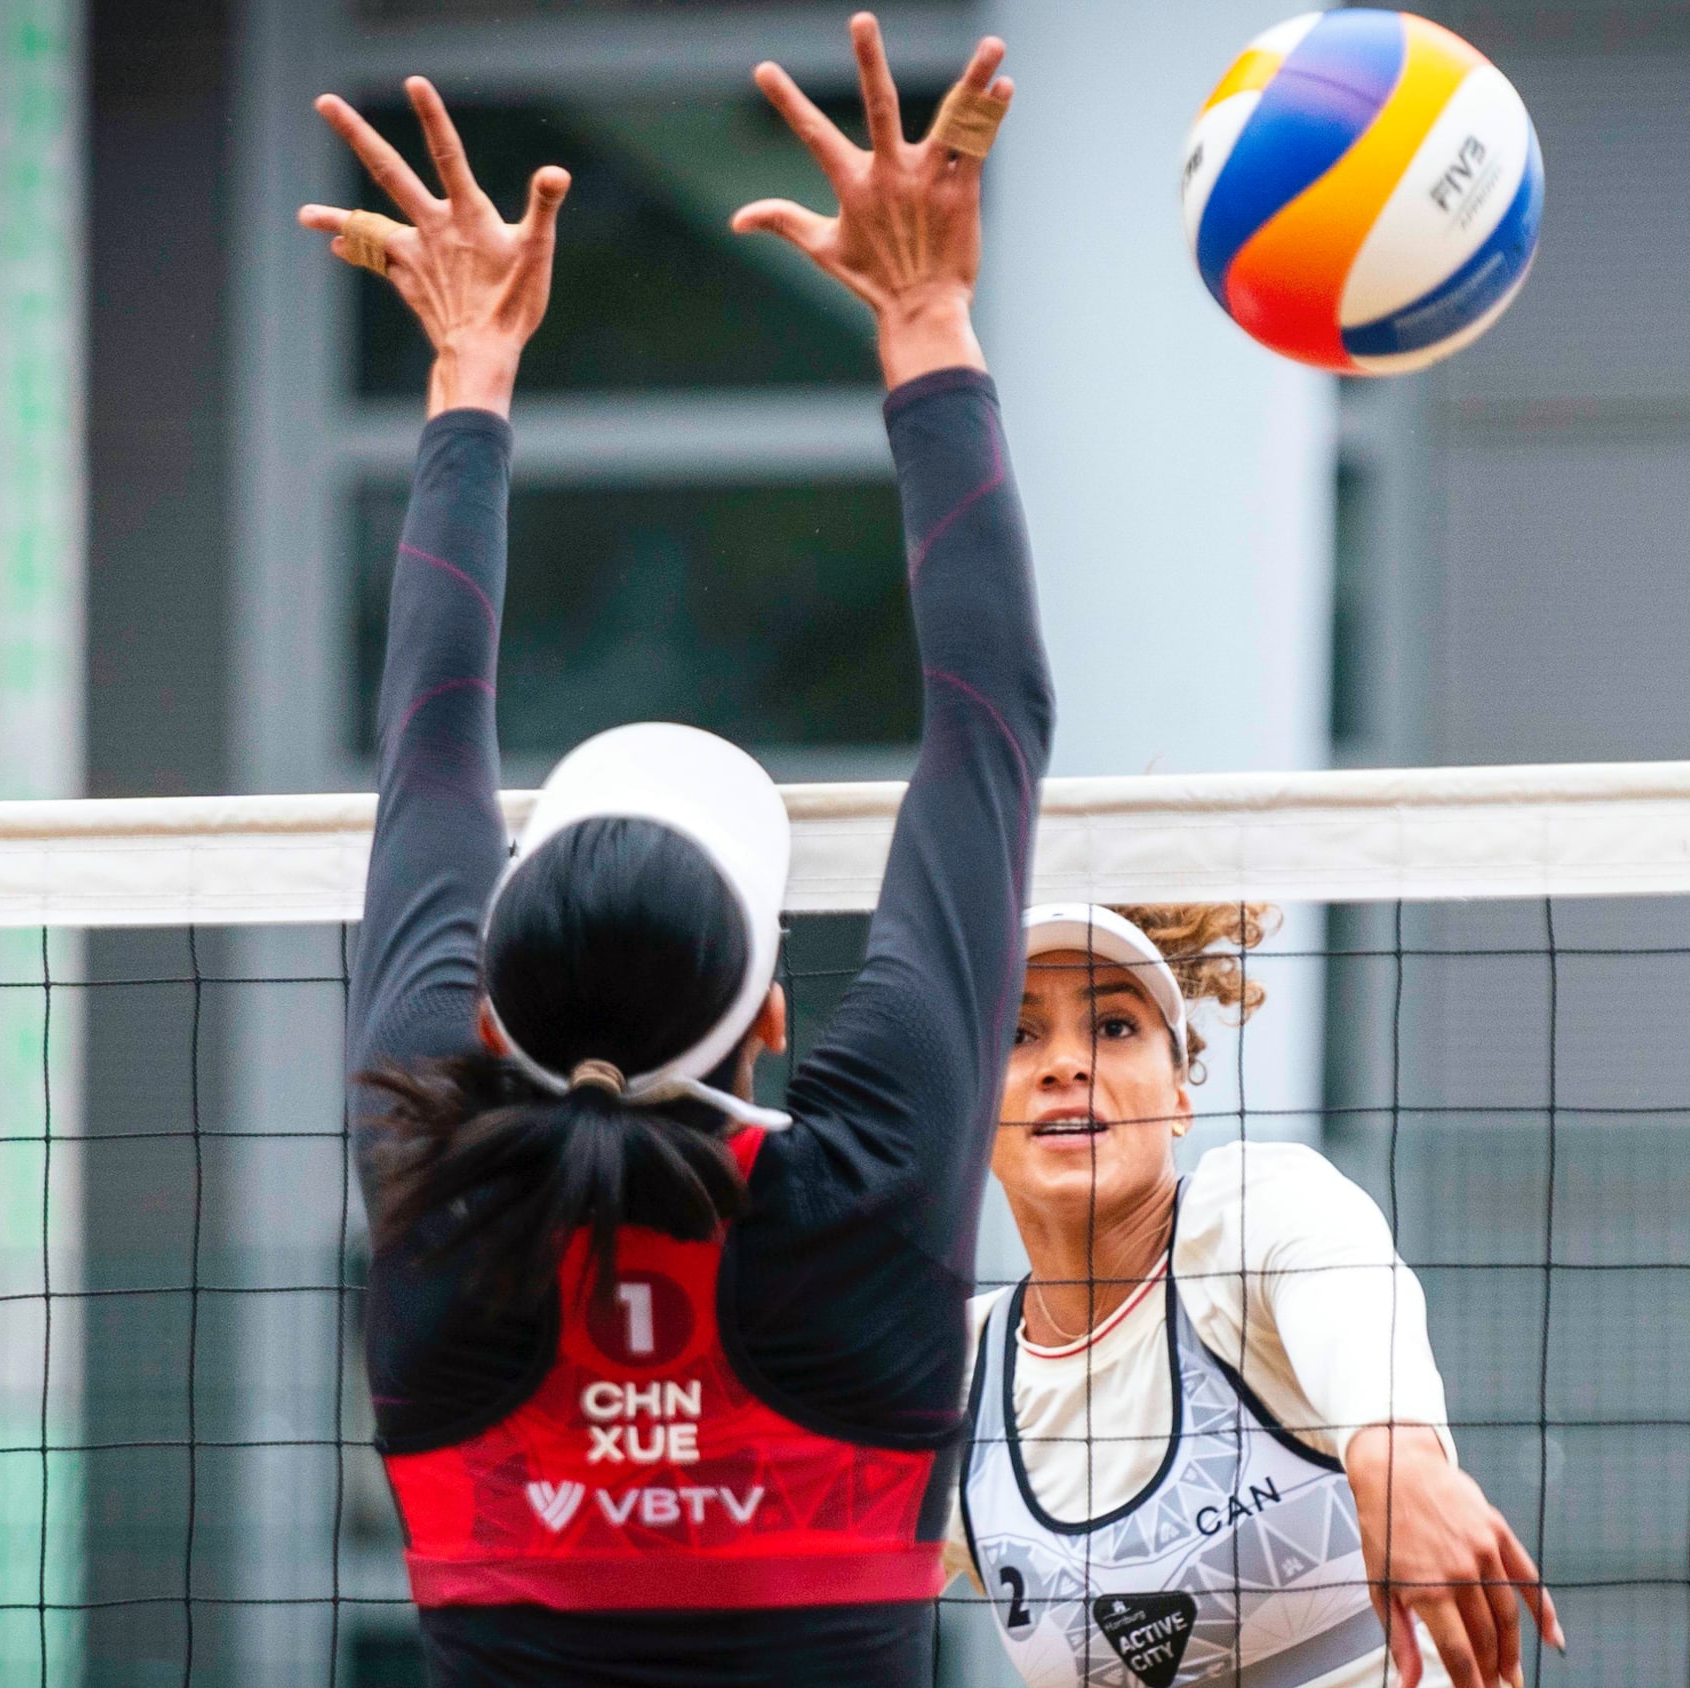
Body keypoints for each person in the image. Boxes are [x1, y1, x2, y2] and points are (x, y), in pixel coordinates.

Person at [310, 18, 1045, 1682]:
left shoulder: (434, 1182)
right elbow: (991, 708)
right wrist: (925, 312)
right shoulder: (848, 1191)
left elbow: (425, 743)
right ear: (772, 1010)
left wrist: (469, 368)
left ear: (494, 1008)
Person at [950, 905, 1564, 1688]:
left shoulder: (1252, 1212)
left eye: (1112, 1027)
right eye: (1017, 1034)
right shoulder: (945, 1382)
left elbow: (1349, 1305)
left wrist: (1397, 1460)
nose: (1067, 1064)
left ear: (1179, 1094)